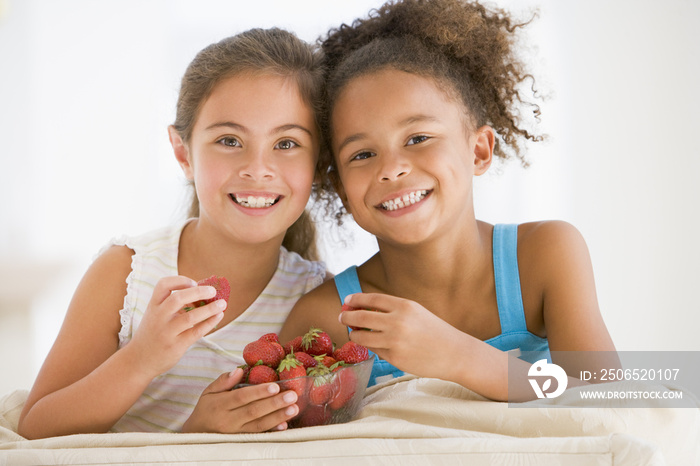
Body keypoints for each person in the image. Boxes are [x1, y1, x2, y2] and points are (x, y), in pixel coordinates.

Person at [279, 0, 617, 401]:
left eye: (418, 138)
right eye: (363, 155)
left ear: (478, 151)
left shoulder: (545, 256)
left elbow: (608, 400)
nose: (392, 169)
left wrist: (459, 356)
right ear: (341, 190)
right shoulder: (327, 319)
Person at [18, 28, 327, 438]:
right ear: (183, 153)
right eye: (229, 140)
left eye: (287, 143)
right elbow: (37, 430)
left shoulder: (316, 299)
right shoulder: (127, 273)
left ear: (319, 163)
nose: (257, 168)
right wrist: (143, 358)